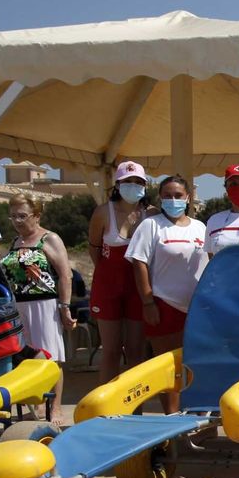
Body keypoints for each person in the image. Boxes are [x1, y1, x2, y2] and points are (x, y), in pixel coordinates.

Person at [126, 175, 206, 414]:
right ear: (160, 198)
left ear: (188, 198)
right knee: (169, 368)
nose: (173, 200)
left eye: (178, 195)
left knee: (196, 365)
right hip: (163, 305)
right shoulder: (151, 225)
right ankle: (172, 422)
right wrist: (148, 301)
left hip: (196, 308)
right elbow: (138, 262)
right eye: (168, 196)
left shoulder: (200, 227)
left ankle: (199, 417)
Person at [0, 194, 76, 421]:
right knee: (26, 356)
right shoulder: (15, 243)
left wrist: (65, 307)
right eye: (13, 216)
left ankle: (56, 406)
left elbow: (65, 274)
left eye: (22, 216)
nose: (17, 221)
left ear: (36, 216)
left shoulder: (49, 239)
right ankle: (37, 402)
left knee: (50, 356)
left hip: (44, 303)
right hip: (18, 304)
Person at [87, 161, 149, 384]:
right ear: (117, 184)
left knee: (136, 351)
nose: (133, 186)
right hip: (108, 288)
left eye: (138, 182)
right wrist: (106, 276)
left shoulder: (150, 214)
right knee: (111, 351)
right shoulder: (103, 212)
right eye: (127, 181)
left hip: (138, 288)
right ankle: (106, 409)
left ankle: (136, 407)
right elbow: (93, 248)